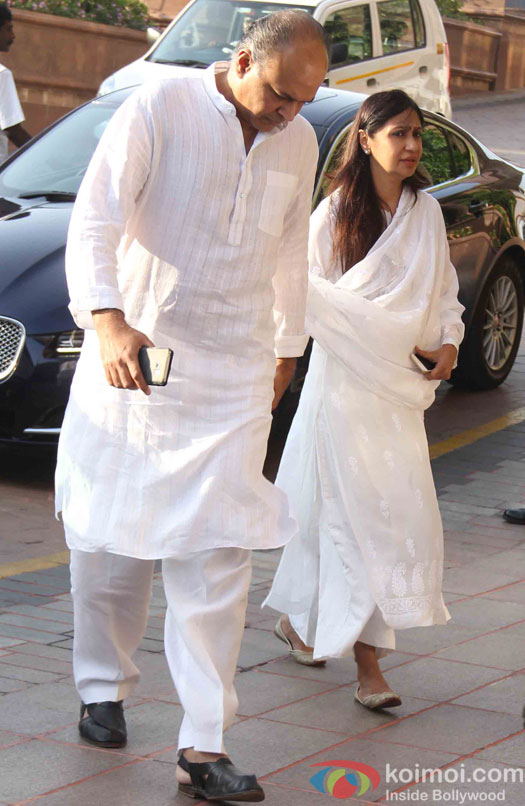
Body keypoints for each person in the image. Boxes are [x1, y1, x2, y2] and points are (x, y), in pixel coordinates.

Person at [55, 10, 328, 802]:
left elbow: (289, 251)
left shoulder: (297, 141)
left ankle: (203, 744)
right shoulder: (159, 108)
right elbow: (96, 216)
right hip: (135, 364)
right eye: (280, 94)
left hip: (233, 373)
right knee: (110, 540)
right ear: (242, 61)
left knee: (219, 555)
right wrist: (107, 319)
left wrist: (286, 352)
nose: (290, 113)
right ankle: (102, 685)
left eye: (304, 101)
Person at [264, 90, 465, 710]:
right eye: (398, 133)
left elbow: (444, 294)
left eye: (417, 135)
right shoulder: (333, 214)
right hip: (344, 387)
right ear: (366, 139)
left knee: (390, 513)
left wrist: (450, 342)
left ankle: (298, 618)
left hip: (398, 393)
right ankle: (369, 666)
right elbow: (304, 296)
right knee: (353, 520)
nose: (411, 146)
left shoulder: (425, 213)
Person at [0, 4, 31, 163]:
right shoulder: (2, 75)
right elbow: (13, 130)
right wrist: (43, 153)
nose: (12, 35)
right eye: (8, 29)